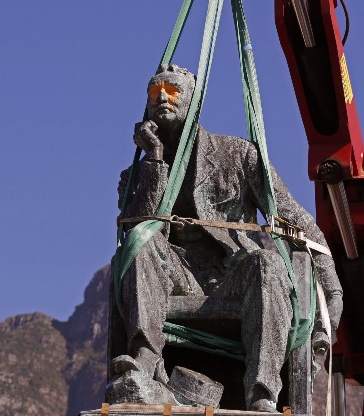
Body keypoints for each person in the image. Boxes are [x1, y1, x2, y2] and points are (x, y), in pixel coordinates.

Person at [111, 64, 343, 411]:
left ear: (193, 101)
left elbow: (296, 220)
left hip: (232, 275)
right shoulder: (136, 174)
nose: (162, 96)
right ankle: (145, 365)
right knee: (142, 241)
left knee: (267, 262)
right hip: (175, 277)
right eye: (154, 91)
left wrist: (332, 289)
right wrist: (154, 160)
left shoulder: (237, 155)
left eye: (172, 90)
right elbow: (136, 230)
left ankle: (262, 393)